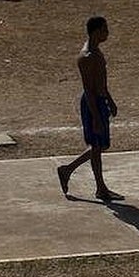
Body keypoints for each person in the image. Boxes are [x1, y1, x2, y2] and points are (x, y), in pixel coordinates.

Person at [56, 16, 122, 201]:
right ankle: (100, 187)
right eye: (104, 30)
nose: (107, 33)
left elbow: (101, 82)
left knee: (100, 146)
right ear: (96, 31)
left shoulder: (96, 52)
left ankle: (68, 170)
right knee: (97, 146)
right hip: (93, 103)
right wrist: (96, 116)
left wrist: (110, 100)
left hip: (100, 101)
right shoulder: (87, 57)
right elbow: (88, 89)